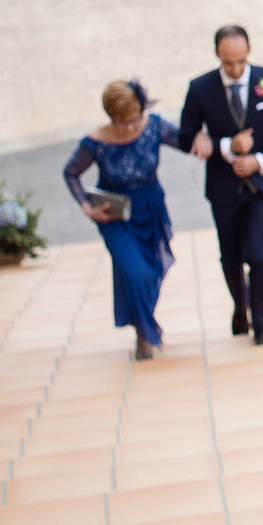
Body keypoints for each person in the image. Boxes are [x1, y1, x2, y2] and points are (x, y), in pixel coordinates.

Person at [177, 25, 263, 344]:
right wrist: (223, 146)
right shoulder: (200, 88)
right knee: (231, 257)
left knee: (259, 256)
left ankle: (260, 323)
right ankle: (240, 306)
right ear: (217, 55)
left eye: (240, 61)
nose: (235, 70)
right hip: (225, 189)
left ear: (249, 52)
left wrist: (260, 160)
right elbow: (185, 136)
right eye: (228, 63)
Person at [63, 79, 184, 361]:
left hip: (150, 207)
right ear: (111, 116)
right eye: (122, 121)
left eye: (135, 119)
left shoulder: (154, 126)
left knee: (152, 271)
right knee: (134, 272)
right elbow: (71, 173)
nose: (130, 127)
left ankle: (144, 322)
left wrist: (204, 139)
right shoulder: (95, 142)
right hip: (115, 216)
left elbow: (187, 141)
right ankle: (144, 333)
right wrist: (86, 207)